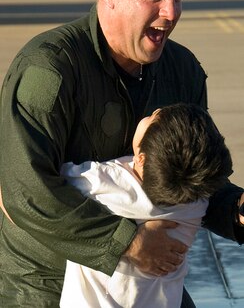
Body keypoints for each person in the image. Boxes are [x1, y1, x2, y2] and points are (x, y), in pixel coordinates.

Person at [0, 0, 243, 308]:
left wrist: (236, 210)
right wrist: (128, 243)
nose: (171, 12)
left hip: (148, 283)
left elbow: (193, 178)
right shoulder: (49, 71)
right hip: (48, 284)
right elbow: (25, 193)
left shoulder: (183, 71)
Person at [59, 103, 233, 308]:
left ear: (141, 159)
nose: (155, 110)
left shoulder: (108, 184)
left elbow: (49, 181)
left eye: (152, 118)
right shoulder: (195, 204)